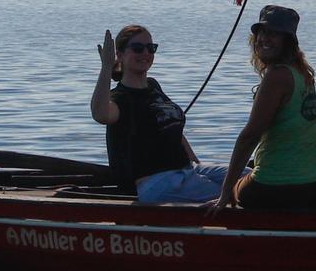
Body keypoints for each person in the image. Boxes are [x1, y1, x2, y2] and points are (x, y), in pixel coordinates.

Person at [210, 4, 316, 211]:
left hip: (284, 186)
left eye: (274, 34)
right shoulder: (302, 72)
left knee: (236, 189)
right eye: (262, 32)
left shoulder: (277, 76)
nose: (264, 38)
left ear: (287, 41)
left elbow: (250, 136)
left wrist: (225, 193)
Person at [89, 24, 227, 204]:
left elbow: (172, 129)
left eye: (150, 48)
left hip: (186, 171)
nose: (145, 53)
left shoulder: (153, 85)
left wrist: (195, 163)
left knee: (248, 178)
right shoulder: (121, 98)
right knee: (236, 192)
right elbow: (100, 114)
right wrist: (106, 68)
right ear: (120, 55)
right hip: (156, 182)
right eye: (138, 48)